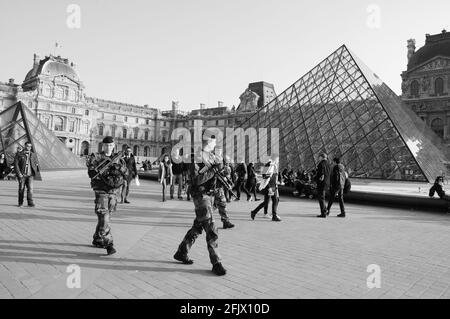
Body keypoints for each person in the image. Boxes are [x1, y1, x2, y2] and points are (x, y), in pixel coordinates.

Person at [173, 134, 227, 276]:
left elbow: (216, 174)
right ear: (208, 142)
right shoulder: (195, 157)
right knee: (211, 228)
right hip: (201, 196)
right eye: (214, 143)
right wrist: (213, 170)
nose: (215, 145)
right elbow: (196, 180)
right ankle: (216, 262)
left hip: (210, 195)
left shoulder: (211, 156)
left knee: (198, 227)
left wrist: (222, 169)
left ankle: (181, 251)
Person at [87, 136, 128, 255]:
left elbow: (127, 173)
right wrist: (107, 170)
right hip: (101, 190)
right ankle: (109, 244)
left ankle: (98, 238)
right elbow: (91, 172)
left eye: (110, 145)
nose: (108, 147)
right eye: (106, 145)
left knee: (105, 216)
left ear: (114, 145)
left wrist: (119, 168)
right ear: (103, 146)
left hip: (113, 191)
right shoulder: (96, 157)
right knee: (103, 215)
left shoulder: (119, 159)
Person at [250, 155, 282, 221]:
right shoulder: (268, 164)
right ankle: (254, 212)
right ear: (275, 158)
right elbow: (264, 175)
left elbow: (274, 175)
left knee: (275, 200)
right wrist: (269, 187)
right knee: (266, 202)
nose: (278, 161)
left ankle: (274, 216)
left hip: (274, 185)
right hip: (269, 186)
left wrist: (277, 183)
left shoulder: (274, 166)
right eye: (277, 159)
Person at [14, 141, 39, 207]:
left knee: (30, 189)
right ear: (25, 146)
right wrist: (19, 173)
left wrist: (35, 170)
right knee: (21, 189)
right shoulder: (19, 154)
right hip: (22, 175)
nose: (29, 148)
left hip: (30, 175)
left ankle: (30, 202)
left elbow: (35, 163)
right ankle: (20, 203)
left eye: (30, 146)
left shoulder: (33, 154)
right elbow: (16, 164)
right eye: (28, 146)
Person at [316, 153, 331, 218]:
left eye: (319, 157)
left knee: (321, 198)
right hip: (327, 183)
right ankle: (325, 211)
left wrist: (317, 180)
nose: (318, 158)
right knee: (323, 197)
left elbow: (321, 175)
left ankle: (323, 213)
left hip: (322, 183)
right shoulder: (328, 164)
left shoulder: (321, 164)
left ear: (321, 157)